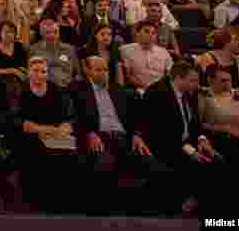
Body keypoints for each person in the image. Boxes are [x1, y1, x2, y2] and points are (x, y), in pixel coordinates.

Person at [72, 55, 161, 214]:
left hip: (124, 138)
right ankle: (104, 213)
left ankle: (145, 211)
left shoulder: (118, 90)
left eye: (105, 69)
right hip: (100, 136)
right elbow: (75, 116)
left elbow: (134, 117)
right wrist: (89, 133)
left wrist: (136, 135)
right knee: (103, 162)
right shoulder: (78, 90)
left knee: (149, 161)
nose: (103, 73)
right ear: (87, 71)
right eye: (98, 70)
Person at [141, 61, 222, 214]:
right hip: (164, 145)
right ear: (178, 78)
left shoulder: (189, 93)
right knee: (201, 164)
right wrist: (191, 151)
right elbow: (161, 133)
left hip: (186, 141)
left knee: (217, 157)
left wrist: (202, 140)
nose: (196, 85)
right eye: (192, 80)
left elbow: (195, 123)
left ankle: (200, 203)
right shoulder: (156, 93)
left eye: (197, 81)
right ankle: (187, 205)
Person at [17, 56, 77, 212]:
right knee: (37, 156)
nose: (39, 74)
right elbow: (19, 122)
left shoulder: (57, 90)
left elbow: (69, 117)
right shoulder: (21, 91)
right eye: (35, 71)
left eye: (43, 71)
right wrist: (44, 130)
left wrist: (65, 127)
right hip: (30, 136)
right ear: (28, 72)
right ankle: (38, 205)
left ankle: (62, 204)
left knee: (68, 155)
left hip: (55, 136)